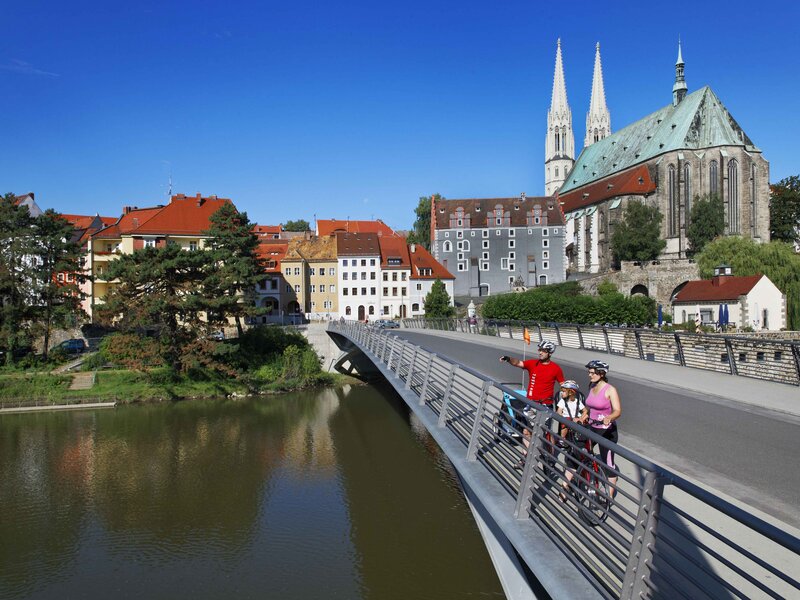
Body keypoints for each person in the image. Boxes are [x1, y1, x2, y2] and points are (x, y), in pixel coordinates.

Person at [499, 340, 564, 467]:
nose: (540, 352)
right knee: (526, 432)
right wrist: (508, 358)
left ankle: (549, 457)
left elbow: (563, 386)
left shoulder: (556, 369)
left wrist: (563, 403)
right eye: (539, 350)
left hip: (546, 405)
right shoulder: (533, 363)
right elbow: (518, 363)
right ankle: (525, 458)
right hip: (530, 404)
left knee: (545, 433)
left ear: (550, 353)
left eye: (543, 351)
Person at [581, 359, 622, 498]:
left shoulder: (610, 390)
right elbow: (589, 405)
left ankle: (608, 498)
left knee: (608, 462)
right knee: (583, 451)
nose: (590, 375)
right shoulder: (592, 386)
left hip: (606, 430)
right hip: (592, 427)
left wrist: (609, 417)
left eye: (592, 373)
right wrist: (583, 415)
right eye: (589, 372)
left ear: (602, 374)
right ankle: (586, 478)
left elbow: (617, 411)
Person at [555, 380, 585, 501]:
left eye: (563, 391)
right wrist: (564, 418)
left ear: (571, 392)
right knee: (564, 427)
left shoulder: (578, 402)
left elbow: (585, 411)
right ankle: (562, 439)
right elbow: (558, 412)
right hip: (567, 422)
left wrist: (582, 417)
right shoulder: (562, 401)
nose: (561, 393)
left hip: (576, 424)